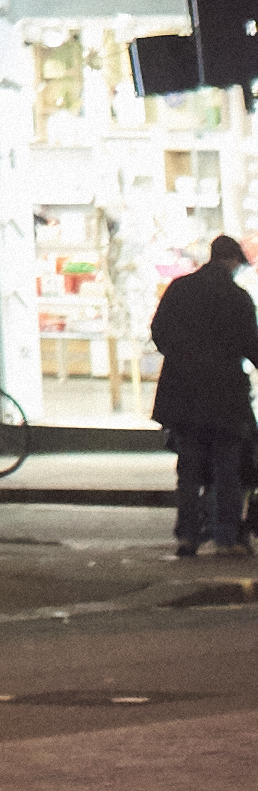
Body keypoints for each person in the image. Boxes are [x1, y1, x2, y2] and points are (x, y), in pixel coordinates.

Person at [152, 231, 258, 571]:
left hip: (183, 393)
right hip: (225, 396)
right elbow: (250, 344)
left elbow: (159, 331)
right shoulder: (237, 298)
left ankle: (187, 536)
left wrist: (181, 358)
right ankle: (226, 538)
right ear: (231, 262)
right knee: (226, 468)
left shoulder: (180, 289)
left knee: (189, 469)